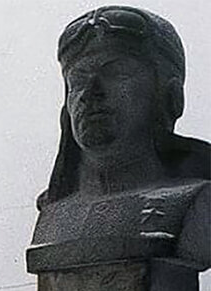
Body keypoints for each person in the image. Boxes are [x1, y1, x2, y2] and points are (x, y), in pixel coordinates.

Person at [31, 6, 209, 267]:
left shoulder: (194, 203)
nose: (91, 92)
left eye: (116, 73)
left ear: (170, 97)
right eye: (78, 80)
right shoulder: (54, 218)